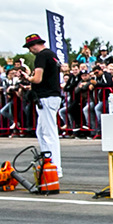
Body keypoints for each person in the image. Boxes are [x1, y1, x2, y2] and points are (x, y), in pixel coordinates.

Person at [25, 33, 64, 177]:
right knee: (41, 132)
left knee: (49, 133)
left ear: (34, 45)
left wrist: (27, 77)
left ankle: (54, 168)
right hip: (52, 96)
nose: (30, 50)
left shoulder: (41, 56)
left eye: (30, 47)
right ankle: (47, 162)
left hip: (46, 97)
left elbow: (37, 79)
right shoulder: (52, 55)